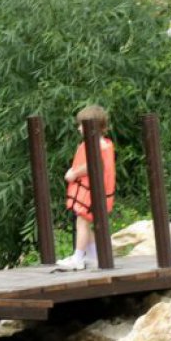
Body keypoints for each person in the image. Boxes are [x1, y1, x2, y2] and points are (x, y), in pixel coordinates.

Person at [56, 105, 116, 271]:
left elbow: (93, 165)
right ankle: (93, 256)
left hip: (92, 192)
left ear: (93, 128)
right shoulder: (103, 144)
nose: (79, 128)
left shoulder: (97, 146)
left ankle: (78, 257)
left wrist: (73, 173)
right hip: (94, 192)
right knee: (85, 223)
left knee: (82, 223)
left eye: (82, 125)